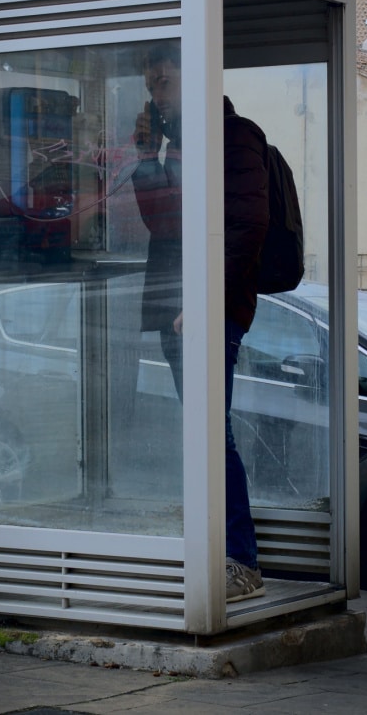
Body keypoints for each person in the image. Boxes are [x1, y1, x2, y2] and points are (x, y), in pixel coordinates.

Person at [131, 43, 271, 603]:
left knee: (216, 432)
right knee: (205, 431)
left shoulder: (234, 137)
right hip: (176, 307)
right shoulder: (178, 148)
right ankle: (216, 550)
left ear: (192, 80)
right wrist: (146, 154)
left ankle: (241, 559)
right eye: (151, 87)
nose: (156, 95)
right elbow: (161, 223)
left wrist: (208, 299)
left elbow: (249, 226)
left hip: (211, 309)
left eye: (163, 82)